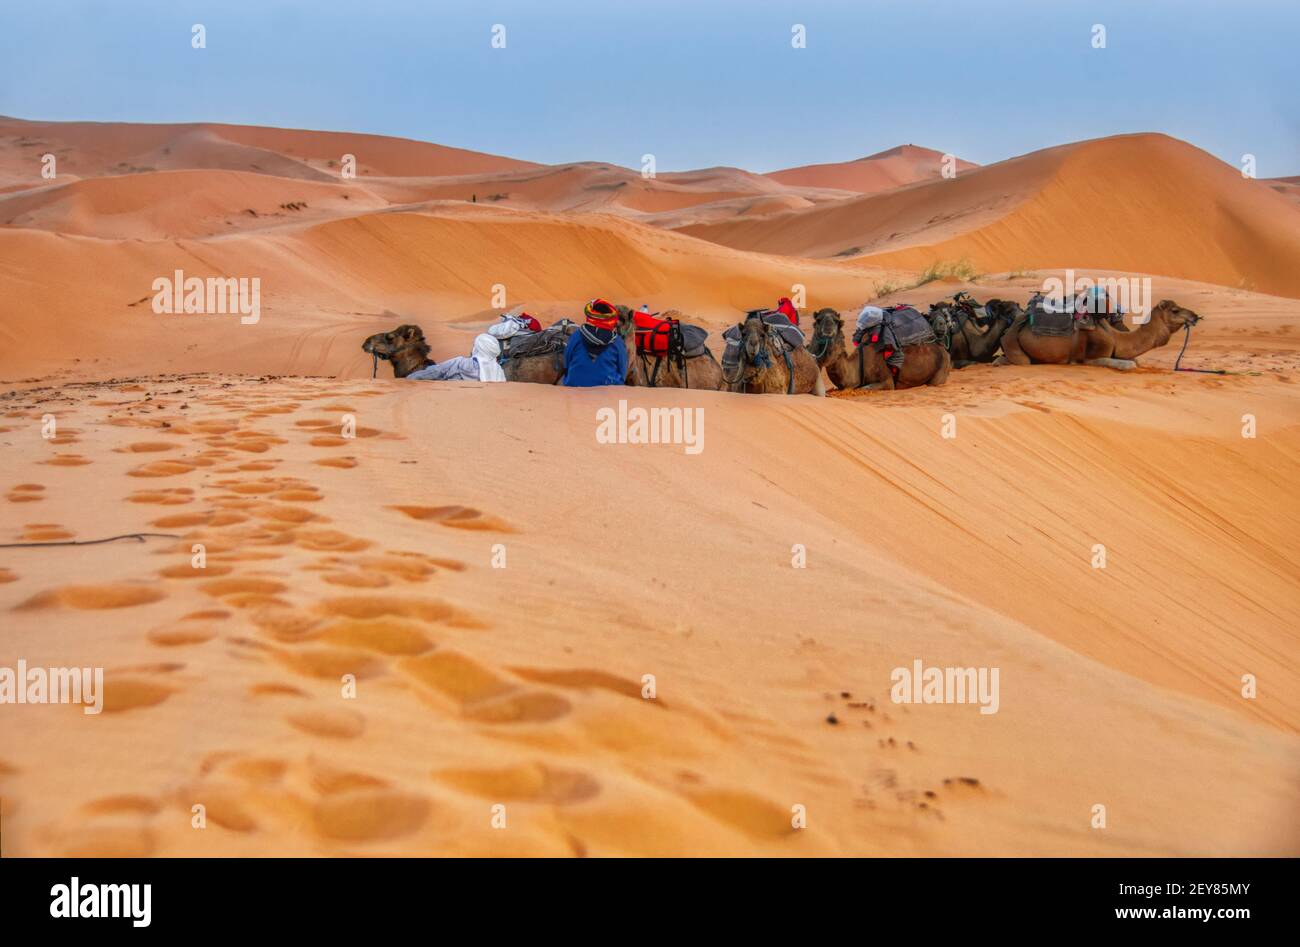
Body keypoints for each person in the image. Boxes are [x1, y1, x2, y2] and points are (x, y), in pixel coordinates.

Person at [563, 298, 627, 386]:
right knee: (623, 399)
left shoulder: (577, 335)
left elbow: (567, 360)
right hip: (609, 385)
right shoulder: (617, 341)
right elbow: (623, 369)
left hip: (574, 383)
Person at [406, 333, 507, 382]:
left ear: (478, 348)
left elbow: (437, 371)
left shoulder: (462, 363)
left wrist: (409, 378)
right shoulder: (499, 372)